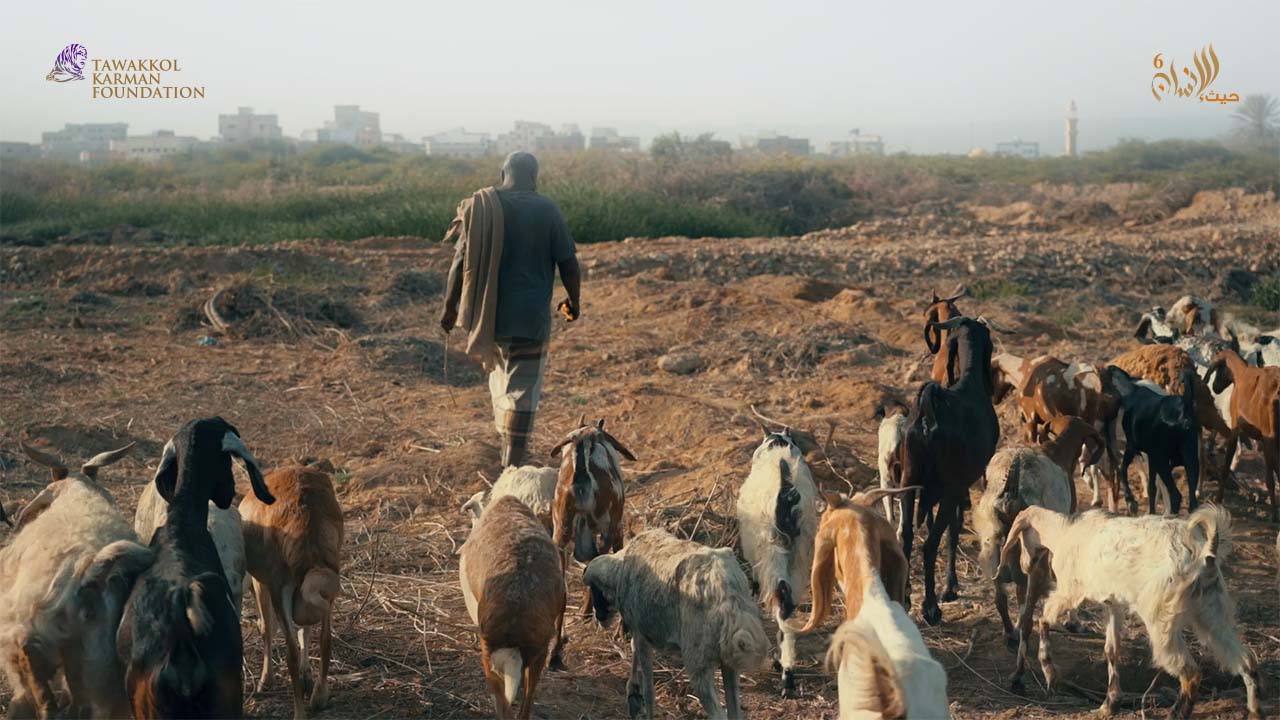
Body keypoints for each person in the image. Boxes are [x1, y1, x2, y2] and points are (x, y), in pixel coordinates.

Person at [440, 152, 581, 468]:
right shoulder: (546, 210)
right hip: (529, 320)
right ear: (534, 177)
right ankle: (512, 465)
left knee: (501, 384)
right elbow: (569, 263)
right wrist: (574, 301)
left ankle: (509, 451)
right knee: (521, 392)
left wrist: (450, 308)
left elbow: (459, 262)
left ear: (503, 173)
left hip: (487, 319)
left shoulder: (480, 207)